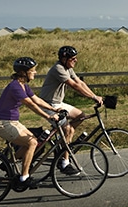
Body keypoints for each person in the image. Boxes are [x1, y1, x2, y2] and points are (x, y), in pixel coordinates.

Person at [0, 57, 62, 189]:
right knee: (32, 143)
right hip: (2, 123)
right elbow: (30, 105)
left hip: (12, 121)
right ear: (24, 73)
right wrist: (48, 116)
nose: (35, 72)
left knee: (34, 141)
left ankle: (8, 163)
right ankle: (24, 177)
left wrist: (53, 109)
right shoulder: (15, 86)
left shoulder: (24, 86)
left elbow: (37, 100)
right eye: (32, 70)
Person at [40, 46, 103, 174]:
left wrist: (94, 96)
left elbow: (79, 83)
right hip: (48, 104)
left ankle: (63, 144)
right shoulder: (58, 68)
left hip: (58, 103)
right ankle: (64, 163)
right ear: (64, 59)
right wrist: (93, 97)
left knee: (80, 115)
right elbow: (74, 86)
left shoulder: (67, 68)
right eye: (73, 58)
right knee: (68, 129)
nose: (76, 60)